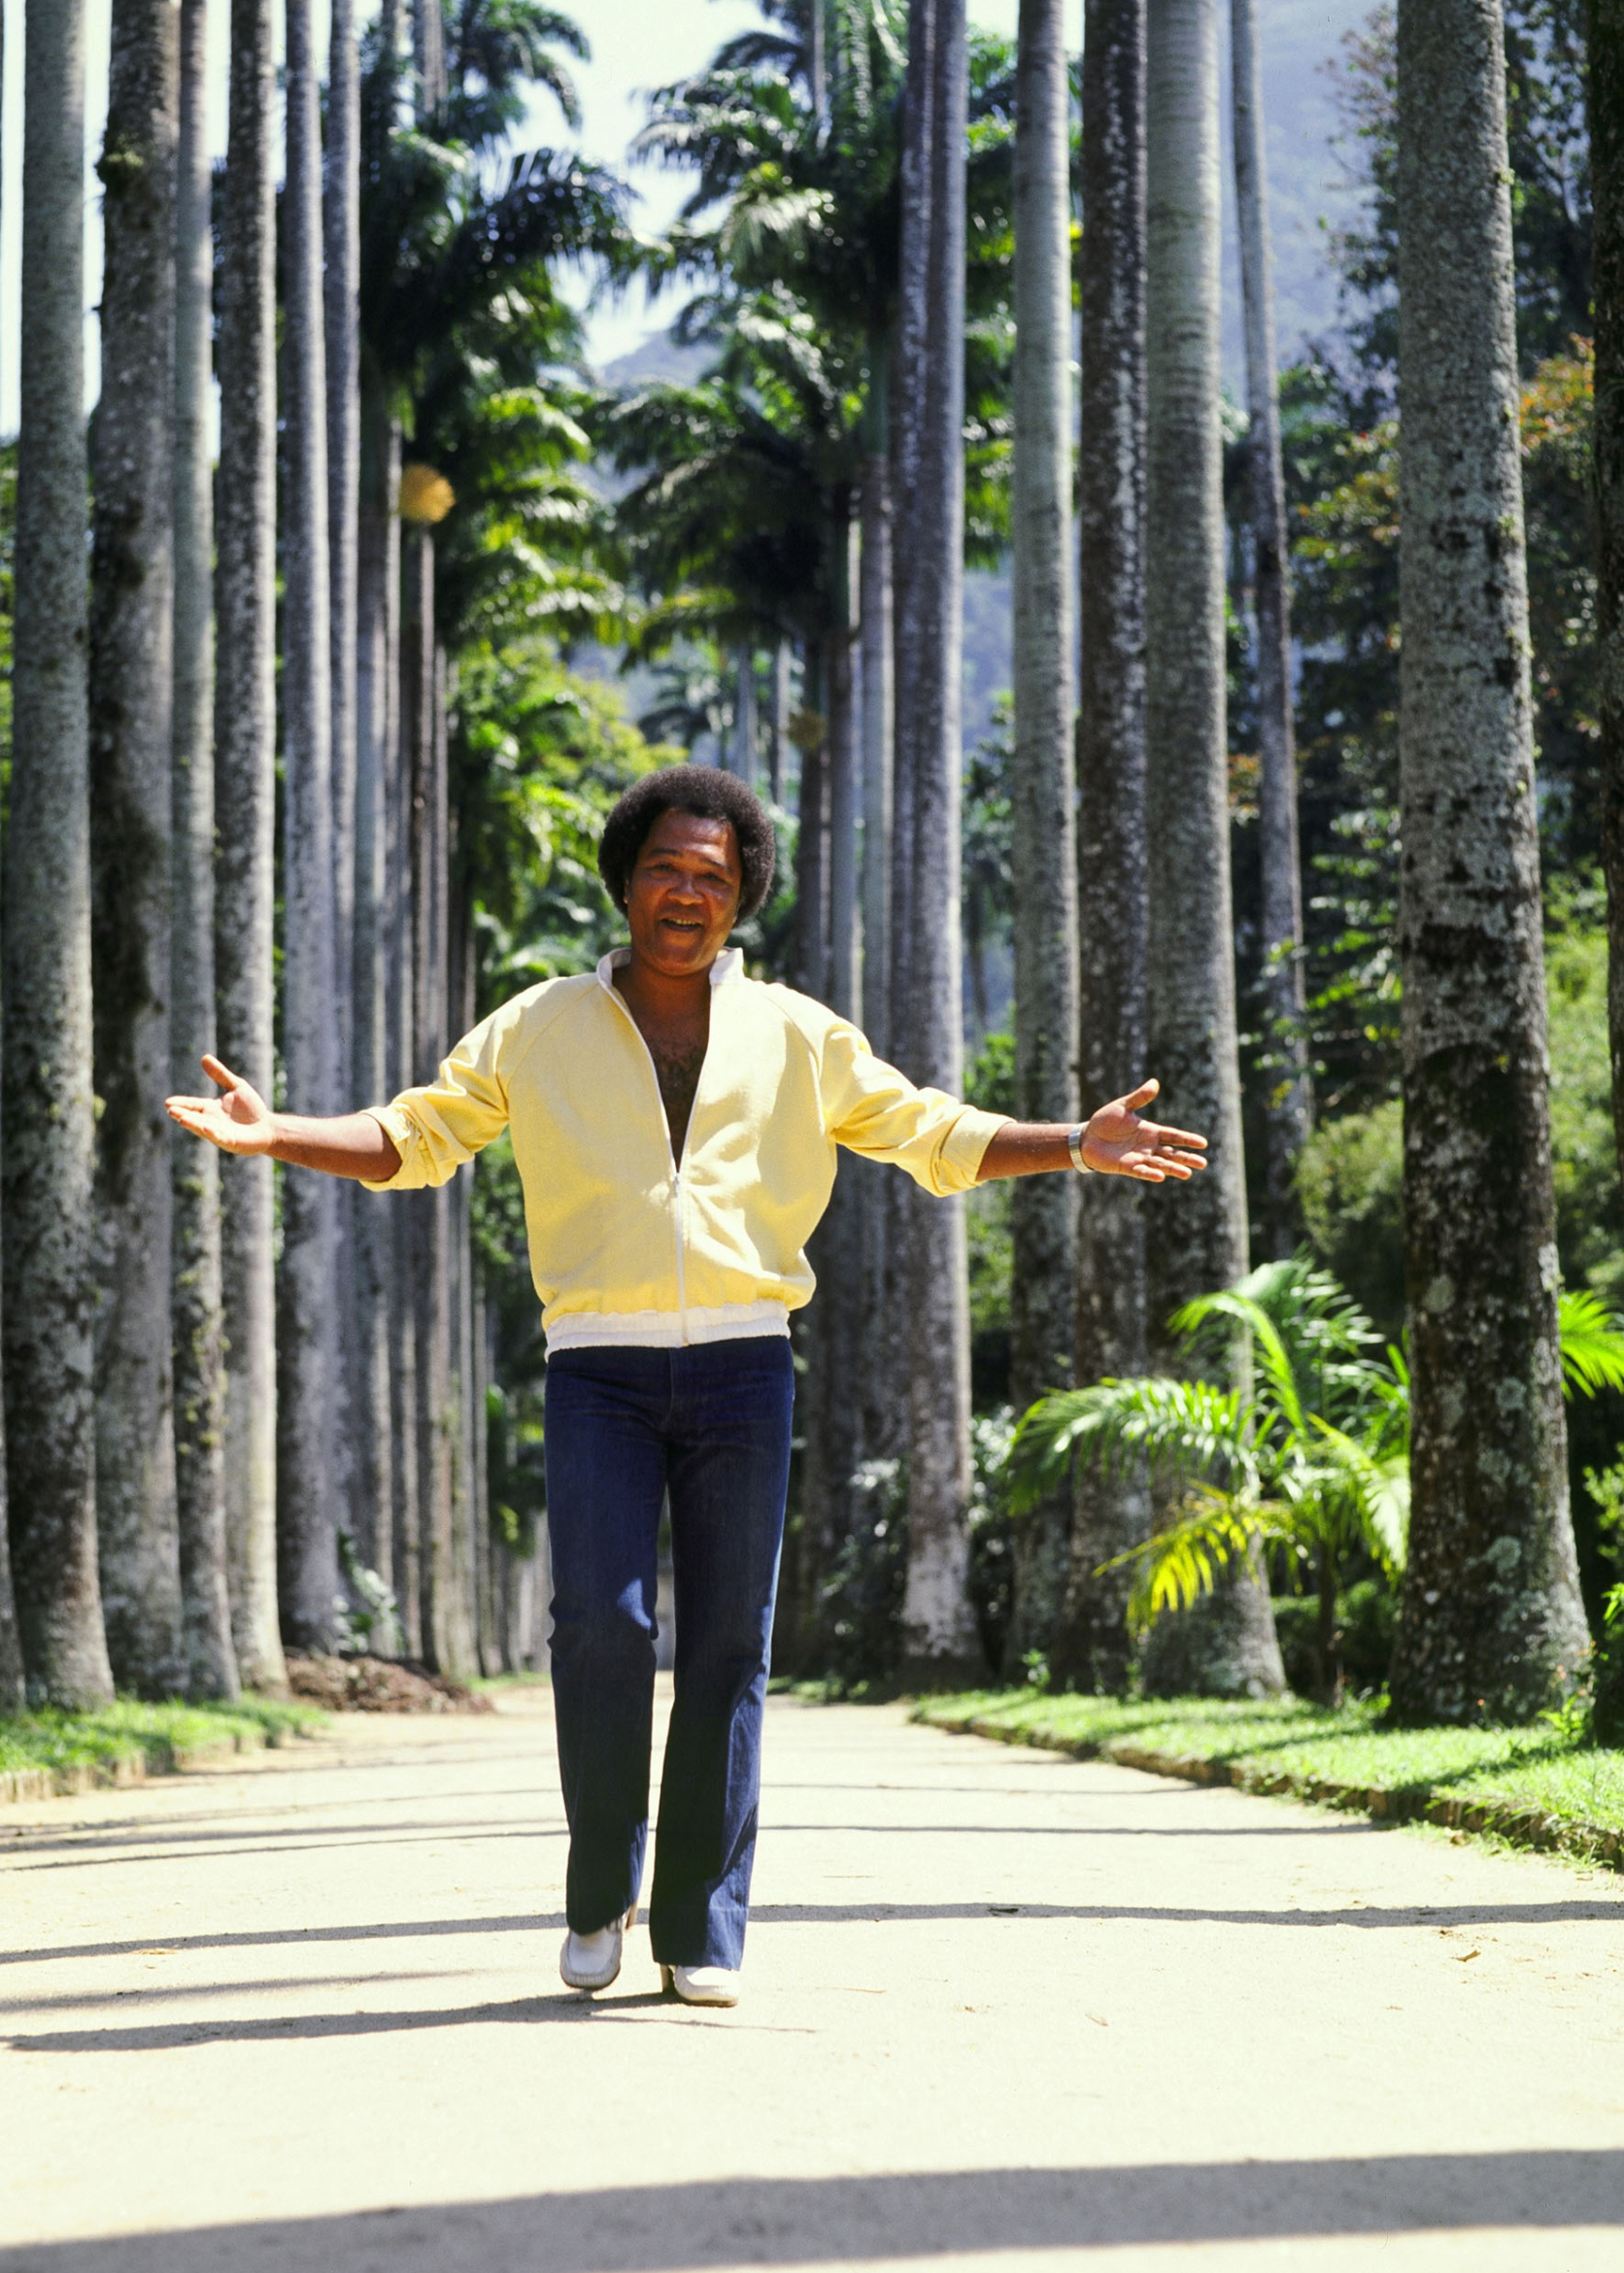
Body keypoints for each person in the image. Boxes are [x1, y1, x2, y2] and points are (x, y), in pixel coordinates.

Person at [166, 764, 1206, 2008]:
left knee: (727, 1644)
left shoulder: (797, 1036)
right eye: (666, 866)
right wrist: (276, 1131)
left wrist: (1074, 1144)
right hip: (597, 1366)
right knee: (600, 1627)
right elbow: (416, 1136)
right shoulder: (541, 1023)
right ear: (626, 879)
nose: (686, 891)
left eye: (713, 875)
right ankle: (601, 1889)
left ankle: (700, 1930)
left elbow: (929, 1132)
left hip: (743, 1365)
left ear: (741, 898)